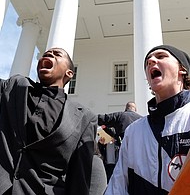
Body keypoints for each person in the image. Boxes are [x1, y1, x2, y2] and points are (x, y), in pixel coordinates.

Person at [0, 47, 97, 195]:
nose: (50, 54)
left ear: (69, 73)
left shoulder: (85, 117)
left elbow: (79, 178)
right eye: (46, 54)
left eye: (57, 54)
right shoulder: (14, 86)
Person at [105, 44, 190, 195]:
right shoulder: (134, 131)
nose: (151, 60)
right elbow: (117, 186)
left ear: (182, 69)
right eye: (147, 61)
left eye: (161, 56)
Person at [97, 102, 142, 183]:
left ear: (126, 109)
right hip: (139, 153)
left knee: (120, 177)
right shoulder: (142, 119)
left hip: (124, 151)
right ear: (135, 110)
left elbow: (103, 118)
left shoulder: (120, 116)